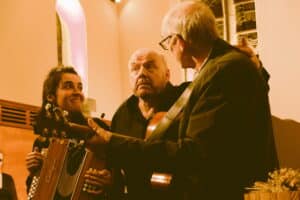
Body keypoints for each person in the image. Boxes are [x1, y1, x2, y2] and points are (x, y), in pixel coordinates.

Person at [84, 2, 278, 200]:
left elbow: (194, 153)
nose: (169, 48)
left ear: (179, 41)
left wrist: (112, 142)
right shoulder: (223, 67)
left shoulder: (221, 72)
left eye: (168, 42)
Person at [110, 48, 189, 199]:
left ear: (167, 74)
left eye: (150, 66)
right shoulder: (122, 114)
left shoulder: (185, 98)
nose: (141, 73)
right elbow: (115, 167)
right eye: (135, 68)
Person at [25, 66, 112, 199]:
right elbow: (35, 194)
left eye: (80, 87)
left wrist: (109, 180)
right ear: (51, 96)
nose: (77, 92)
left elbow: (120, 172)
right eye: (68, 86)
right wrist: (33, 173)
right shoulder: (44, 139)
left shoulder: (97, 129)